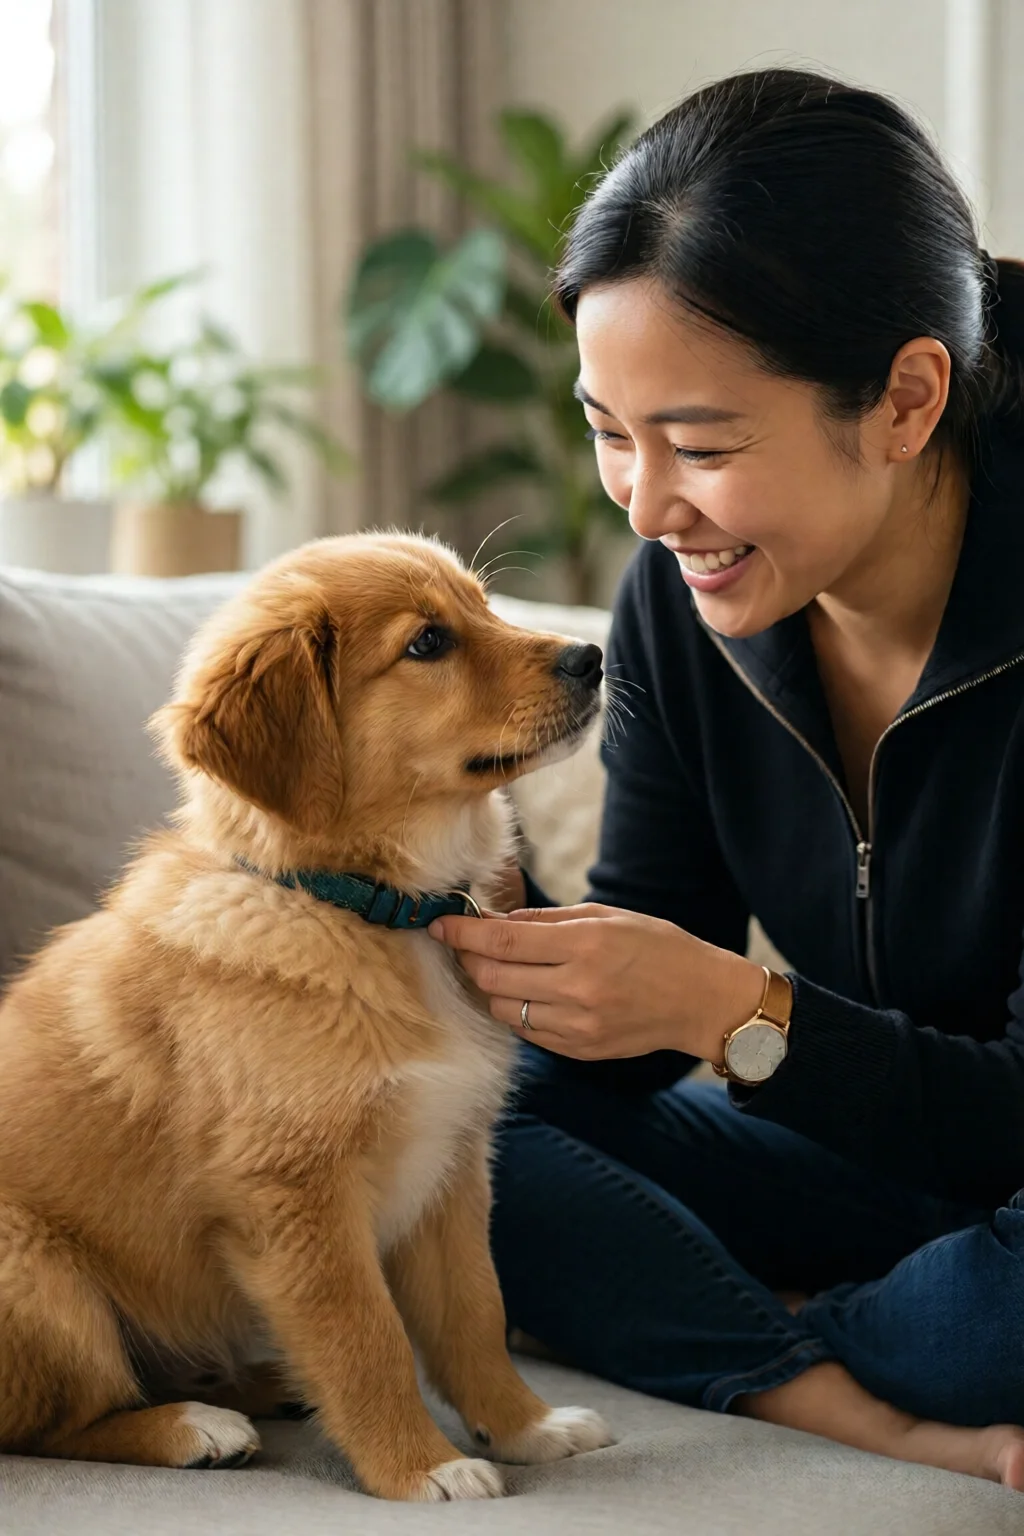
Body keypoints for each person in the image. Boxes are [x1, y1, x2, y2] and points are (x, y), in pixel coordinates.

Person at [427, 68, 1024, 1489]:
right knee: (448, 1135)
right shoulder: (686, 602)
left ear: (906, 398)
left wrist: (728, 1008)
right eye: (607, 431)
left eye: (698, 445)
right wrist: (509, 925)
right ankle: (824, 1369)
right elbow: (637, 1019)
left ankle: (785, 1329)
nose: (641, 504)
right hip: (864, 1163)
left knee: (981, 1321)